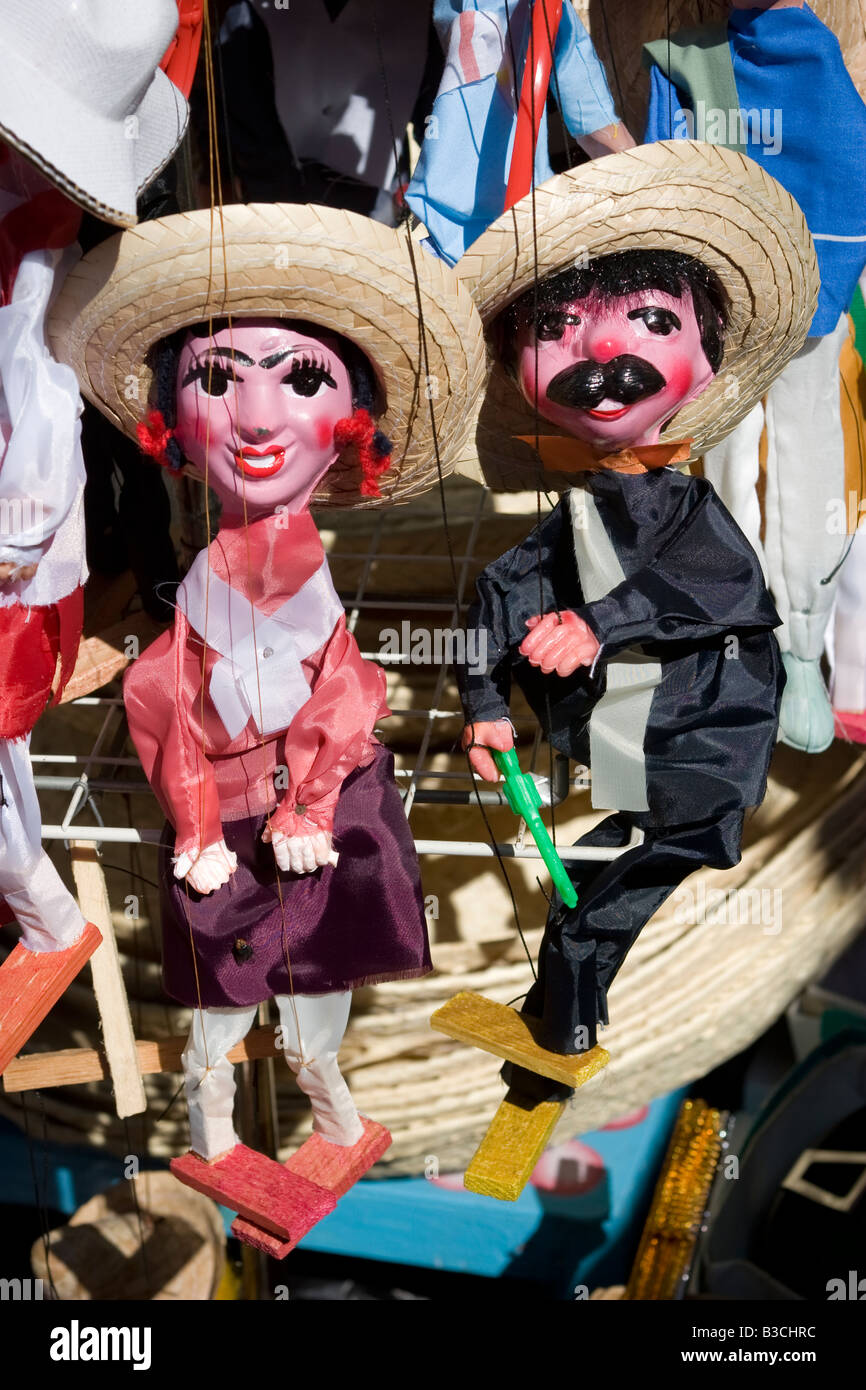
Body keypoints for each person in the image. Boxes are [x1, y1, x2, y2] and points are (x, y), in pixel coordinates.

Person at [49, 200, 486, 1220]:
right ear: (171, 417)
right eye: (214, 378)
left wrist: (307, 801)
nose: (252, 417)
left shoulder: (295, 571)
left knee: (303, 1024)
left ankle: (333, 1129)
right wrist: (199, 821)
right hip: (229, 819)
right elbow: (162, 694)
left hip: (313, 820)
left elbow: (350, 690)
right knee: (215, 1018)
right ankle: (223, 1144)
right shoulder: (211, 571)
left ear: (350, 427)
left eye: (297, 377)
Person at [451, 140, 818, 1112]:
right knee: (581, 899)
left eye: (648, 324)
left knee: (587, 906)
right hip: (624, 742)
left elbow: (722, 590)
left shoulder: (685, 511)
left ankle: (552, 1051)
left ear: (699, 362)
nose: (599, 357)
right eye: (557, 329)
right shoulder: (580, 515)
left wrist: (599, 621)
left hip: (699, 751)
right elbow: (499, 588)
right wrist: (484, 700)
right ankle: (556, 1033)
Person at [643, 0, 866, 752]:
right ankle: (739, 644)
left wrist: (817, 284)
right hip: (714, 299)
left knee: (814, 469)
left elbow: (842, 172)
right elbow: (660, 175)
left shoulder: (815, 54)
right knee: (723, 465)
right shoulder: (680, 55)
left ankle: (802, 648)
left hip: (811, 292)